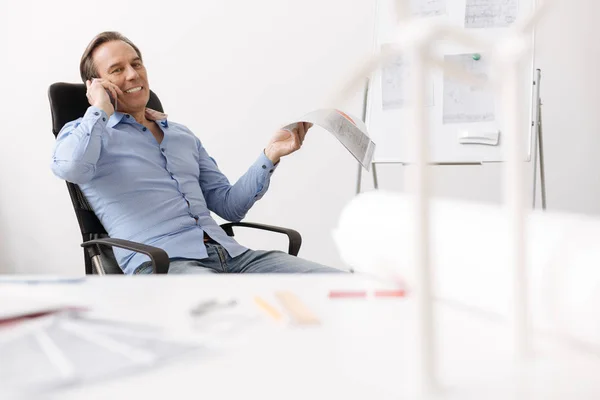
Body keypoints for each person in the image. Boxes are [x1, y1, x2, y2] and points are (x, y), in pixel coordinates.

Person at [51, 31, 342, 275]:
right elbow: (71, 168)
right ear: (96, 85)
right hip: (164, 264)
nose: (132, 74)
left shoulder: (181, 135)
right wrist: (99, 109)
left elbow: (229, 206)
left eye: (137, 64)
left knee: (342, 286)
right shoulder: (85, 133)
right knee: (237, 312)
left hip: (233, 256)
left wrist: (270, 154)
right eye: (117, 69)